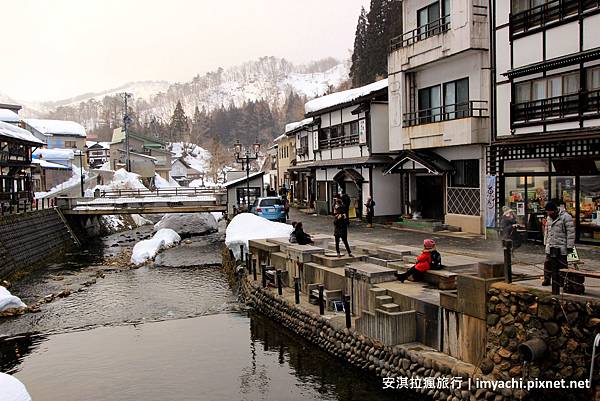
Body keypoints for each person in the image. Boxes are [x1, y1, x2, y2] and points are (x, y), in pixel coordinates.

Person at [542, 201, 575, 286]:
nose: (548, 213)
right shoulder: (549, 218)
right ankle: (547, 280)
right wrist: (546, 242)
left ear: (554, 210)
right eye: (547, 212)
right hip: (551, 245)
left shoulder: (566, 217)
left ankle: (561, 282)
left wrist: (569, 246)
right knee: (548, 263)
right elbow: (547, 231)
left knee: (562, 264)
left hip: (561, 245)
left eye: (549, 211)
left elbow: (571, 233)